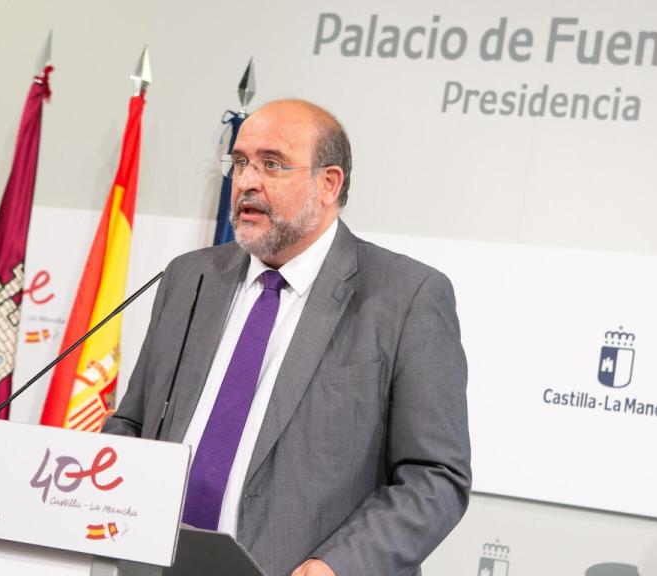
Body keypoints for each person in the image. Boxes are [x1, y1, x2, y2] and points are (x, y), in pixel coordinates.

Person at [103, 99, 470, 576]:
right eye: (240, 163)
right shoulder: (190, 277)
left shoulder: (406, 296)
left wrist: (338, 565)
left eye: (272, 164)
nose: (247, 181)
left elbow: (435, 476)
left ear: (328, 183)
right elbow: (133, 423)